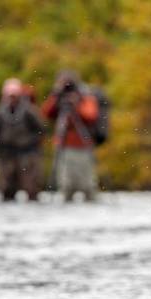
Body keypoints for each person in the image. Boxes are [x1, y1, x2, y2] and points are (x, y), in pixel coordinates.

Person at [41, 71, 99, 202]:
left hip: (83, 145)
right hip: (64, 146)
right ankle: (66, 207)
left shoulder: (84, 96)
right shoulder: (58, 97)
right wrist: (56, 94)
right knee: (66, 185)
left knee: (88, 185)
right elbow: (45, 113)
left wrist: (76, 105)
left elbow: (91, 115)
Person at [0, 78, 45, 201]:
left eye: (14, 96)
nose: (12, 99)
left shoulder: (29, 110)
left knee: (31, 187)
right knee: (7, 188)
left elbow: (41, 129)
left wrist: (34, 143)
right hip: (7, 154)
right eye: (9, 96)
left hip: (27, 153)